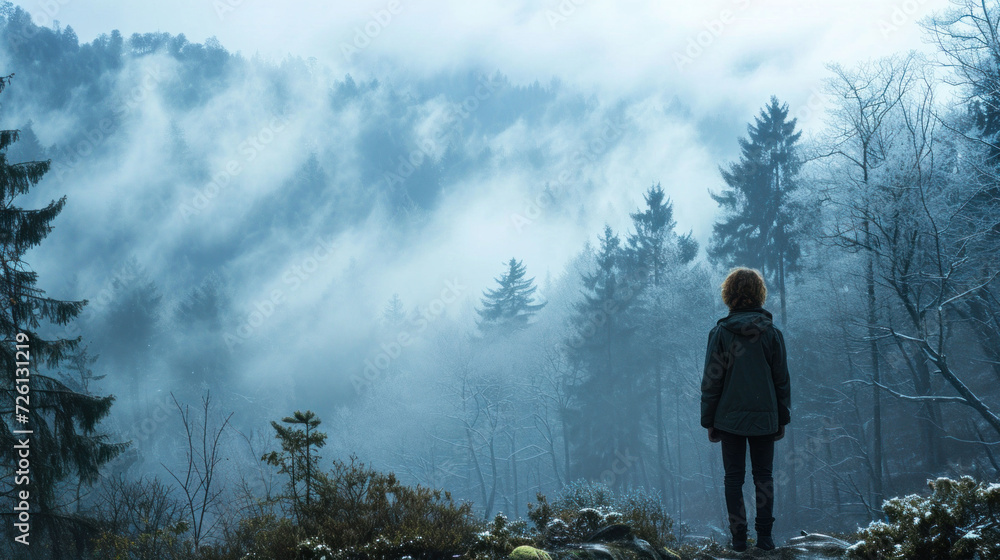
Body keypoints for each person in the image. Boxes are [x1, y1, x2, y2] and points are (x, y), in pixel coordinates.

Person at [700, 267, 791, 552]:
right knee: (763, 477)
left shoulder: (720, 333)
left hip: (729, 419)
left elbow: (712, 380)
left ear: (729, 294)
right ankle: (765, 538)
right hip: (765, 417)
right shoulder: (772, 334)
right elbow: (781, 380)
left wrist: (709, 420)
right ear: (758, 294)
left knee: (733, 478)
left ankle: (739, 541)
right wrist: (782, 418)